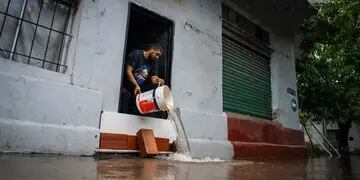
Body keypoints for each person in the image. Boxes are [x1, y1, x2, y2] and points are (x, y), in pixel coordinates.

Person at [120, 44, 165, 114]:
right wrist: (136, 85)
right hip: (126, 91)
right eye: (157, 54)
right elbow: (128, 71)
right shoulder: (137, 54)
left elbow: (154, 79)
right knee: (122, 114)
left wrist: (159, 81)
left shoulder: (154, 62)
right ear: (151, 50)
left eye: (159, 56)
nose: (157, 57)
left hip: (137, 95)